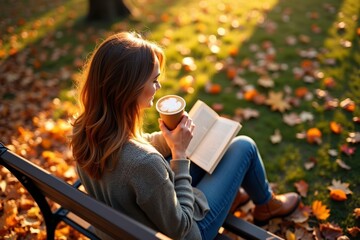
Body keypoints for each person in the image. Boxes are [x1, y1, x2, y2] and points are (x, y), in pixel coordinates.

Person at [70, 31, 300, 240]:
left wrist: (167, 139)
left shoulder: (85, 129)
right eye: (153, 80)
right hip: (181, 231)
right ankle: (267, 204)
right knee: (243, 147)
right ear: (128, 89)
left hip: (126, 226)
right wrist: (179, 154)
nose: (158, 86)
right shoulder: (144, 164)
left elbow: (131, 151)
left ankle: (242, 197)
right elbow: (184, 232)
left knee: (218, 151)